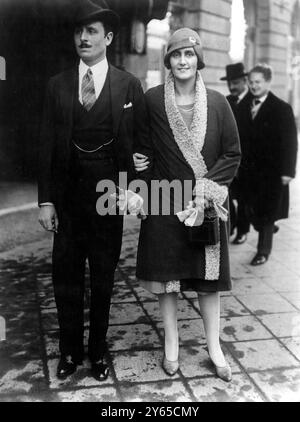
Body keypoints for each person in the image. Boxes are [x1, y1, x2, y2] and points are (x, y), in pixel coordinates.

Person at [38, 0, 149, 381]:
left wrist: (134, 190)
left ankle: (97, 352)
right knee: (65, 278)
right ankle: (69, 351)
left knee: (103, 278)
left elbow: (139, 144)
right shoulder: (57, 85)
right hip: (67, 201)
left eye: (92, 32)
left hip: (109, 199)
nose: (83, 38)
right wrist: (46, 201)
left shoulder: (128, 84)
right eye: (78, 31)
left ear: (109, 37)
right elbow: (47, 147)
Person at [134, 28, 241, 382]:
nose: (183, 61)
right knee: (167, 280)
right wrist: (137, 170)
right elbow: (142, 150)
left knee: (208, 280)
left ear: (199, 61)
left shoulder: (218, 102)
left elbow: (232, 153)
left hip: (204, 205)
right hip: (165, 203)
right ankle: (172, 345)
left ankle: (214, 347)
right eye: (176, 55)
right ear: (168, 60)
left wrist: (207, 189)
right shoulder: (151, 101)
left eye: (189, 55)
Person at [237, 63, 298, 265]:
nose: (253, 86)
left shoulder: (281, 109)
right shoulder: (242, 106)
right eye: (251, 82)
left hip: (272, 172)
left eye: (258, 82)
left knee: (268, 211)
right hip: (248, 171)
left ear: (268, 82)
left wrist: (288, 171)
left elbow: (290, 143)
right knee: (248, 208)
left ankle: (263, 251)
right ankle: (265, 227)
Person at [220, 63, 252, 244]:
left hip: (248, 161)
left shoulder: (252, 102)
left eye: (236, 82)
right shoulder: (226, 101)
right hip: (229, 159)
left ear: (245, 81)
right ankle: (231, 226)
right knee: (228, 195)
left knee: (245, 198)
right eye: (230, 83)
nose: (232, 87)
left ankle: (243, 230)